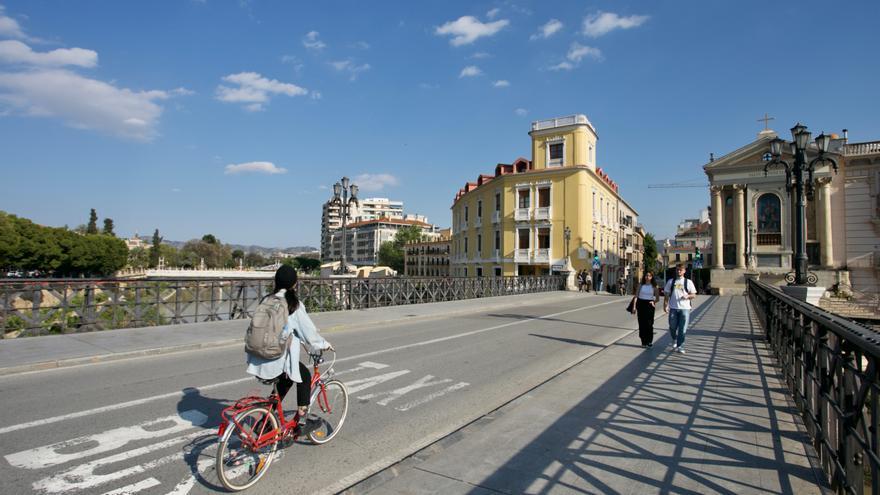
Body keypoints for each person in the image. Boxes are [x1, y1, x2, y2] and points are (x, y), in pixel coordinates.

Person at [246, 265, 333, 428]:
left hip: (257, 357)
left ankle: (267, 419)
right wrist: (324, 344)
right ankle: (302, 419)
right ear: (295, 283)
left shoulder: (267, 300)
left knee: (286, 380)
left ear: (276, 282)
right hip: (275, 358)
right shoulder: (293, 305)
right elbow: (309, 334)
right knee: (305, 376)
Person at [663, 263, 697, 354]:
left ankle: (680, 346)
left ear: (684, 271)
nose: (679, 271)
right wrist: (665, 305)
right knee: (672, 326)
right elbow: (666, 294)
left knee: (682, 329)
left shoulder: (688, 282)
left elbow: (694, 294)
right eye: (677, 270)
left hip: (685, 309)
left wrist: (688, 296)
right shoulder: (671, 281)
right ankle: (674, 339)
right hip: (673, 308)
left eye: (680, 270)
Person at [630, 271, 660, 348]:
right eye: (646, 275)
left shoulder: (654, 286)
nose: (647, 277)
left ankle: (649, 341)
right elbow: (636, 296)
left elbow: (657, 298)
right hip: (641, 304)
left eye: (649, 275)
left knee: (649, 324)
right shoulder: (641, 285)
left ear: (652, 277)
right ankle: (643, 341)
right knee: (641, 323)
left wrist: (654, 302)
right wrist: (634, 307)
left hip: (650, 304)